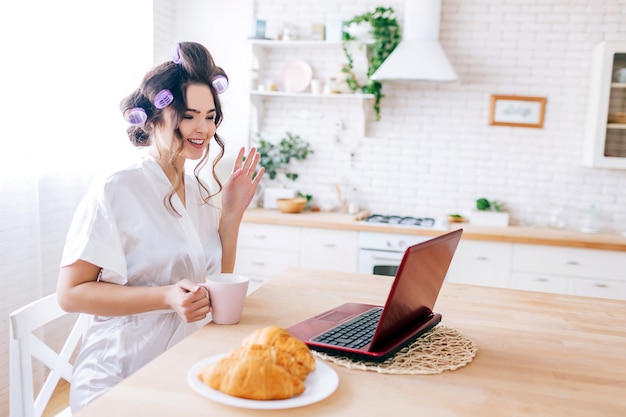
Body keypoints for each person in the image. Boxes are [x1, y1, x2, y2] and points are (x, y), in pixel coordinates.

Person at [56, 41, 264, 411]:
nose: (203, 128)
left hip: (183, 363)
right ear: (154, 118)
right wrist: (165, 296)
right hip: (121, 371)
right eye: (189, 115)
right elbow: (70, 294)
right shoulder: (116, 189)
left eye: (210, 115)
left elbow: (212, 284)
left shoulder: (200, 190)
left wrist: (231, 216)